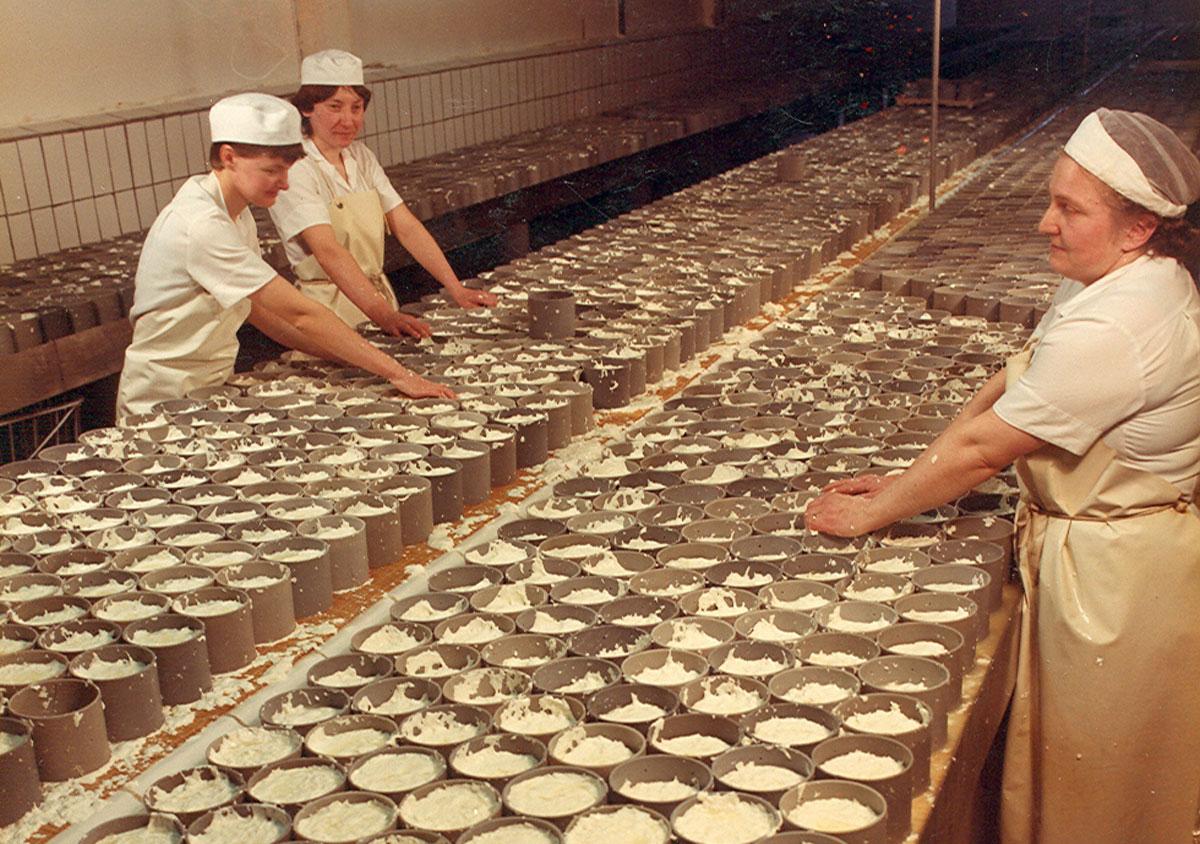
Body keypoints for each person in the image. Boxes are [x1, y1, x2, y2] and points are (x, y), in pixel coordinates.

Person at [805, 108, 1200, 844]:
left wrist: (869, 515)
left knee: (1099, 788)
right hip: (1107, 554)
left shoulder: (1122, 323)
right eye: (1050, 199)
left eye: (1069, 209)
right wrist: (906, 476)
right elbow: (1009, 386)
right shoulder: (1106, 281)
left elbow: (986, 449)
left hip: (1119, 582)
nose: (1045, 223)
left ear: (1138, 227)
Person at [116, 93, 454, 421]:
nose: (285, 184)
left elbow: (260, 312)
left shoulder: (237, 215)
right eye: (271, 170)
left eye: (287, 170)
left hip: (206, 389)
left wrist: (349, 357)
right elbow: (299, 313)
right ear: (229, 156)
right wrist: (396, 373)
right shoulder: (201, 224)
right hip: (160, 402)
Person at [269, 49, 495, 339]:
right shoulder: (297, 167)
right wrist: (384, 315)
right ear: (307, 108)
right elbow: (327, 251)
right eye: (335, 107)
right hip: (329, 312)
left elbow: (406, 225)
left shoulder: (360, 156)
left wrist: (456, 289)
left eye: (356, 107)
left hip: (377, 302)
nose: (348, 120)